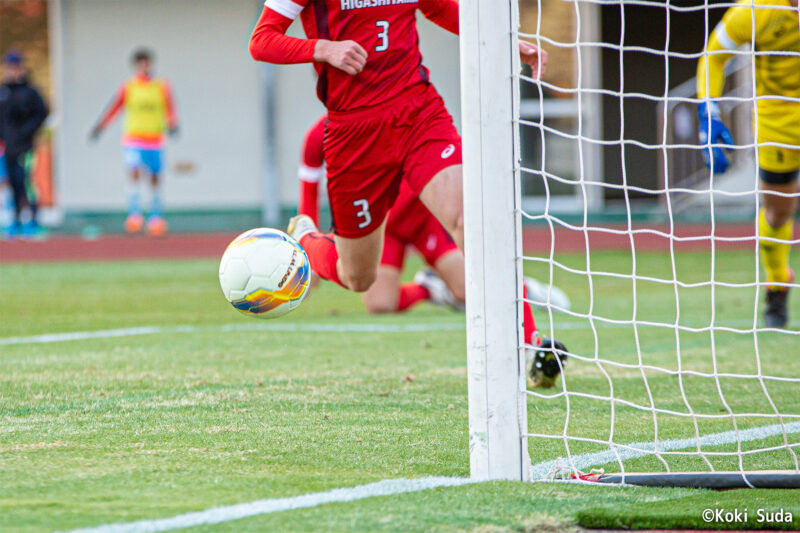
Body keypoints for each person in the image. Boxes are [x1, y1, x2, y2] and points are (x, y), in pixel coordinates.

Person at [298, 115, 572, 317]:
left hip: (422, 217)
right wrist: (308, 258)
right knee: (379, 304)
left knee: (470, 292)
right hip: (382, 226)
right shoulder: (316, 136)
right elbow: (308, 197)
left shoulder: (390, 113)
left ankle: (521, 288)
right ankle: (430, 288)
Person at [697, 0, 800, 328]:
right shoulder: (755, 9)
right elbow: (713, 56)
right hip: (778, 120)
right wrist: (708, 113)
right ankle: (776, 283)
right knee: (778, 212)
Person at [89, 48, 179, 236]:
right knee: (134, 172)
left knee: (155, 178)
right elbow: (115, 108)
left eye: (147, 63)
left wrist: (173, 124)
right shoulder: (129, 87)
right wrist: (100, 127)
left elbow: (169, 107)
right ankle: (135, 215)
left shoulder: (161, 86)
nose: (144, 66)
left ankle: (155, 218)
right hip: (134, 138)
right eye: (140, 63)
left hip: (154, 138)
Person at [0, 49, 48, 239]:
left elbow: (40, 115)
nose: (12, 71)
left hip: (25, 146)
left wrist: (26, 133)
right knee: (10, 183)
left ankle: (32, 219)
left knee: (26, 181)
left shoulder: (31, 92)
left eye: (15, 67)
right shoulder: (3, 92)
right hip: (6, 147)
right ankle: (14, 220)